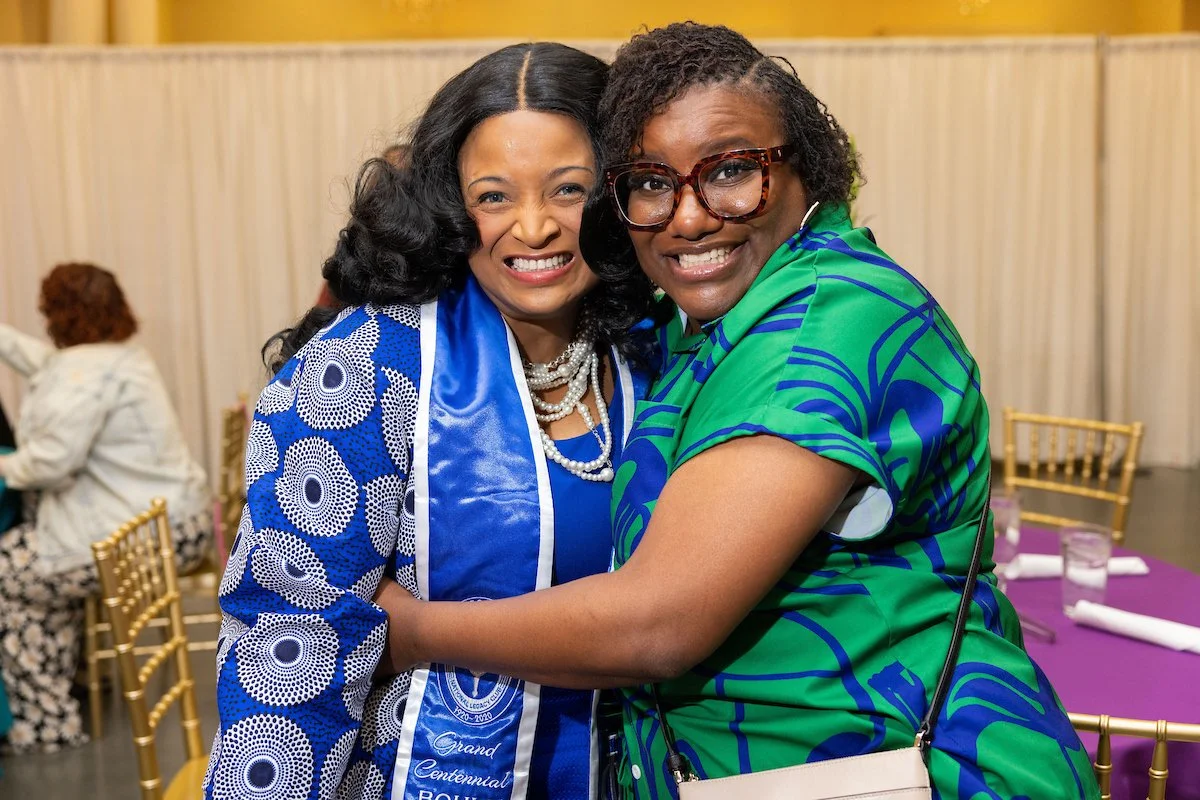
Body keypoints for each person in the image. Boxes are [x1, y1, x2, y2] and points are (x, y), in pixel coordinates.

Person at [371, 23, 1101, 799]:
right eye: (652, 182)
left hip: (901, 772)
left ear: (805, 169)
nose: (688, 217)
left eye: (730, 172)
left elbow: (660, 623)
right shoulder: (706, 325)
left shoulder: (825, 326)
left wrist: (413, 631)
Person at [204, 43, 657, 799]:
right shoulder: (370, 365)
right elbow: (290, 642)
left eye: (568, 189)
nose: (535, 227)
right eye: (494, 196)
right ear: (452, 206)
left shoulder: (651, 354)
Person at [0, 263, 212, 753]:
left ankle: (45, 721)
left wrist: (5, 467)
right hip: (175, 524)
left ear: (59, 314)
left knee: (8, 570)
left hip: (149, 539)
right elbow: (43, 364)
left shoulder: (87, 371)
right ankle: (67, 682)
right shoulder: (118, 358)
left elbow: (51, 463)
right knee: (31, 564)